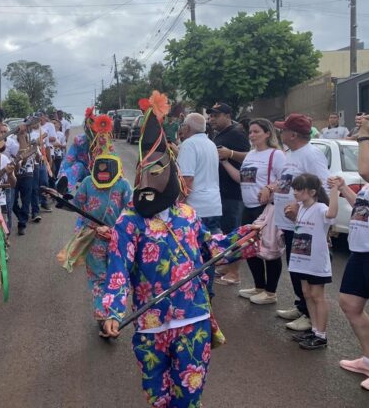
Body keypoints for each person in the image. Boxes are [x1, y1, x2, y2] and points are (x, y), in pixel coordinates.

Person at [101, 91, 256, 407]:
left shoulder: (188, 214)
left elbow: (209, 249)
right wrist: (113, 311)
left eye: (159, 172)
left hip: (193, 320)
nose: (151, 179)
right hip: (149, 325)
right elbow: (118, 270)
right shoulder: (128, 222)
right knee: (157, 397)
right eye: (146, 173)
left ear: (171, 174)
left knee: (188, 396)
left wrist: (245, 237)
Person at [61, 125, 132, 338]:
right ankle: (105, 319)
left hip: (116, 239)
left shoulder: (122, 186)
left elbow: (130, 213)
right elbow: (79, 207)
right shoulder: (88, 183)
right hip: (95, 240)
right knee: (102, 278)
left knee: (112, 278)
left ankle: (111, 317)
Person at [337, 113, 369, 391]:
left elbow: (367, 169)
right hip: (361, 250)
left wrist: (368, 134)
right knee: (349, 303)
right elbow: (362, 208)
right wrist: (344, 189)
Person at [270, 114, 330, 332]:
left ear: (293, 134)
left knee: (305, 271)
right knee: (295, 267)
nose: (281, 133)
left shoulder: (311, 154)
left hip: (304, 223)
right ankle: (300, 305)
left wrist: (303, 208)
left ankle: (308, 314)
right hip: (289, 222)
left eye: (284, 130)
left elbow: (324, 186)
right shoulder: (292, 153)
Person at [220, 118, 286, 304]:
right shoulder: (250, 155)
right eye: (250, 132)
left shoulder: (276, 155)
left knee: (269, 248)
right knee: (248, 247)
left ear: (267, 133)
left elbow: (286, 180)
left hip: (265, 208)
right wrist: (225, 163)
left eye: (256, 131)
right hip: (247, 206)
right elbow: (242, 179)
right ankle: (259, 286)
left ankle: (271, 292)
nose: (252, 135)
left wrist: (270, 188)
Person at [285, 174, 337, 350]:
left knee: (317, 295)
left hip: (315, 260)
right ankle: (314, 329)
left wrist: (336, 189)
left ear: (313, 192)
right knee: (306, 293)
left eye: (299, 189)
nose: (295, 193)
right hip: (301, 259)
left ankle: (321, 335)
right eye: (295, 189)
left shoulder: (321, 207)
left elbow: (332, 213)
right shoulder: (300, 208)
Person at [176, 113, 222, 296]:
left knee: (192, 253)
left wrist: (178, 204)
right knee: (208, 255)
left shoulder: (189, 145)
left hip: (196, 208)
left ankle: (197, 295)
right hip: (213, 205)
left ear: (187, 128)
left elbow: (187, 179)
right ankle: (207, 292)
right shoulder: (210, 144)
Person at [209, 102, 251, 286]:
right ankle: (226, 267)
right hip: (221, 191)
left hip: (234, 193)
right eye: (211, 116)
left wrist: (230, 153)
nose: (212, 119)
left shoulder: (237, 133)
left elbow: (250, 156)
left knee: (233, 233)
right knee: (225, 232)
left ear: (227, 115)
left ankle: (234, 274)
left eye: (216, 116)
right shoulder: (220, 134)